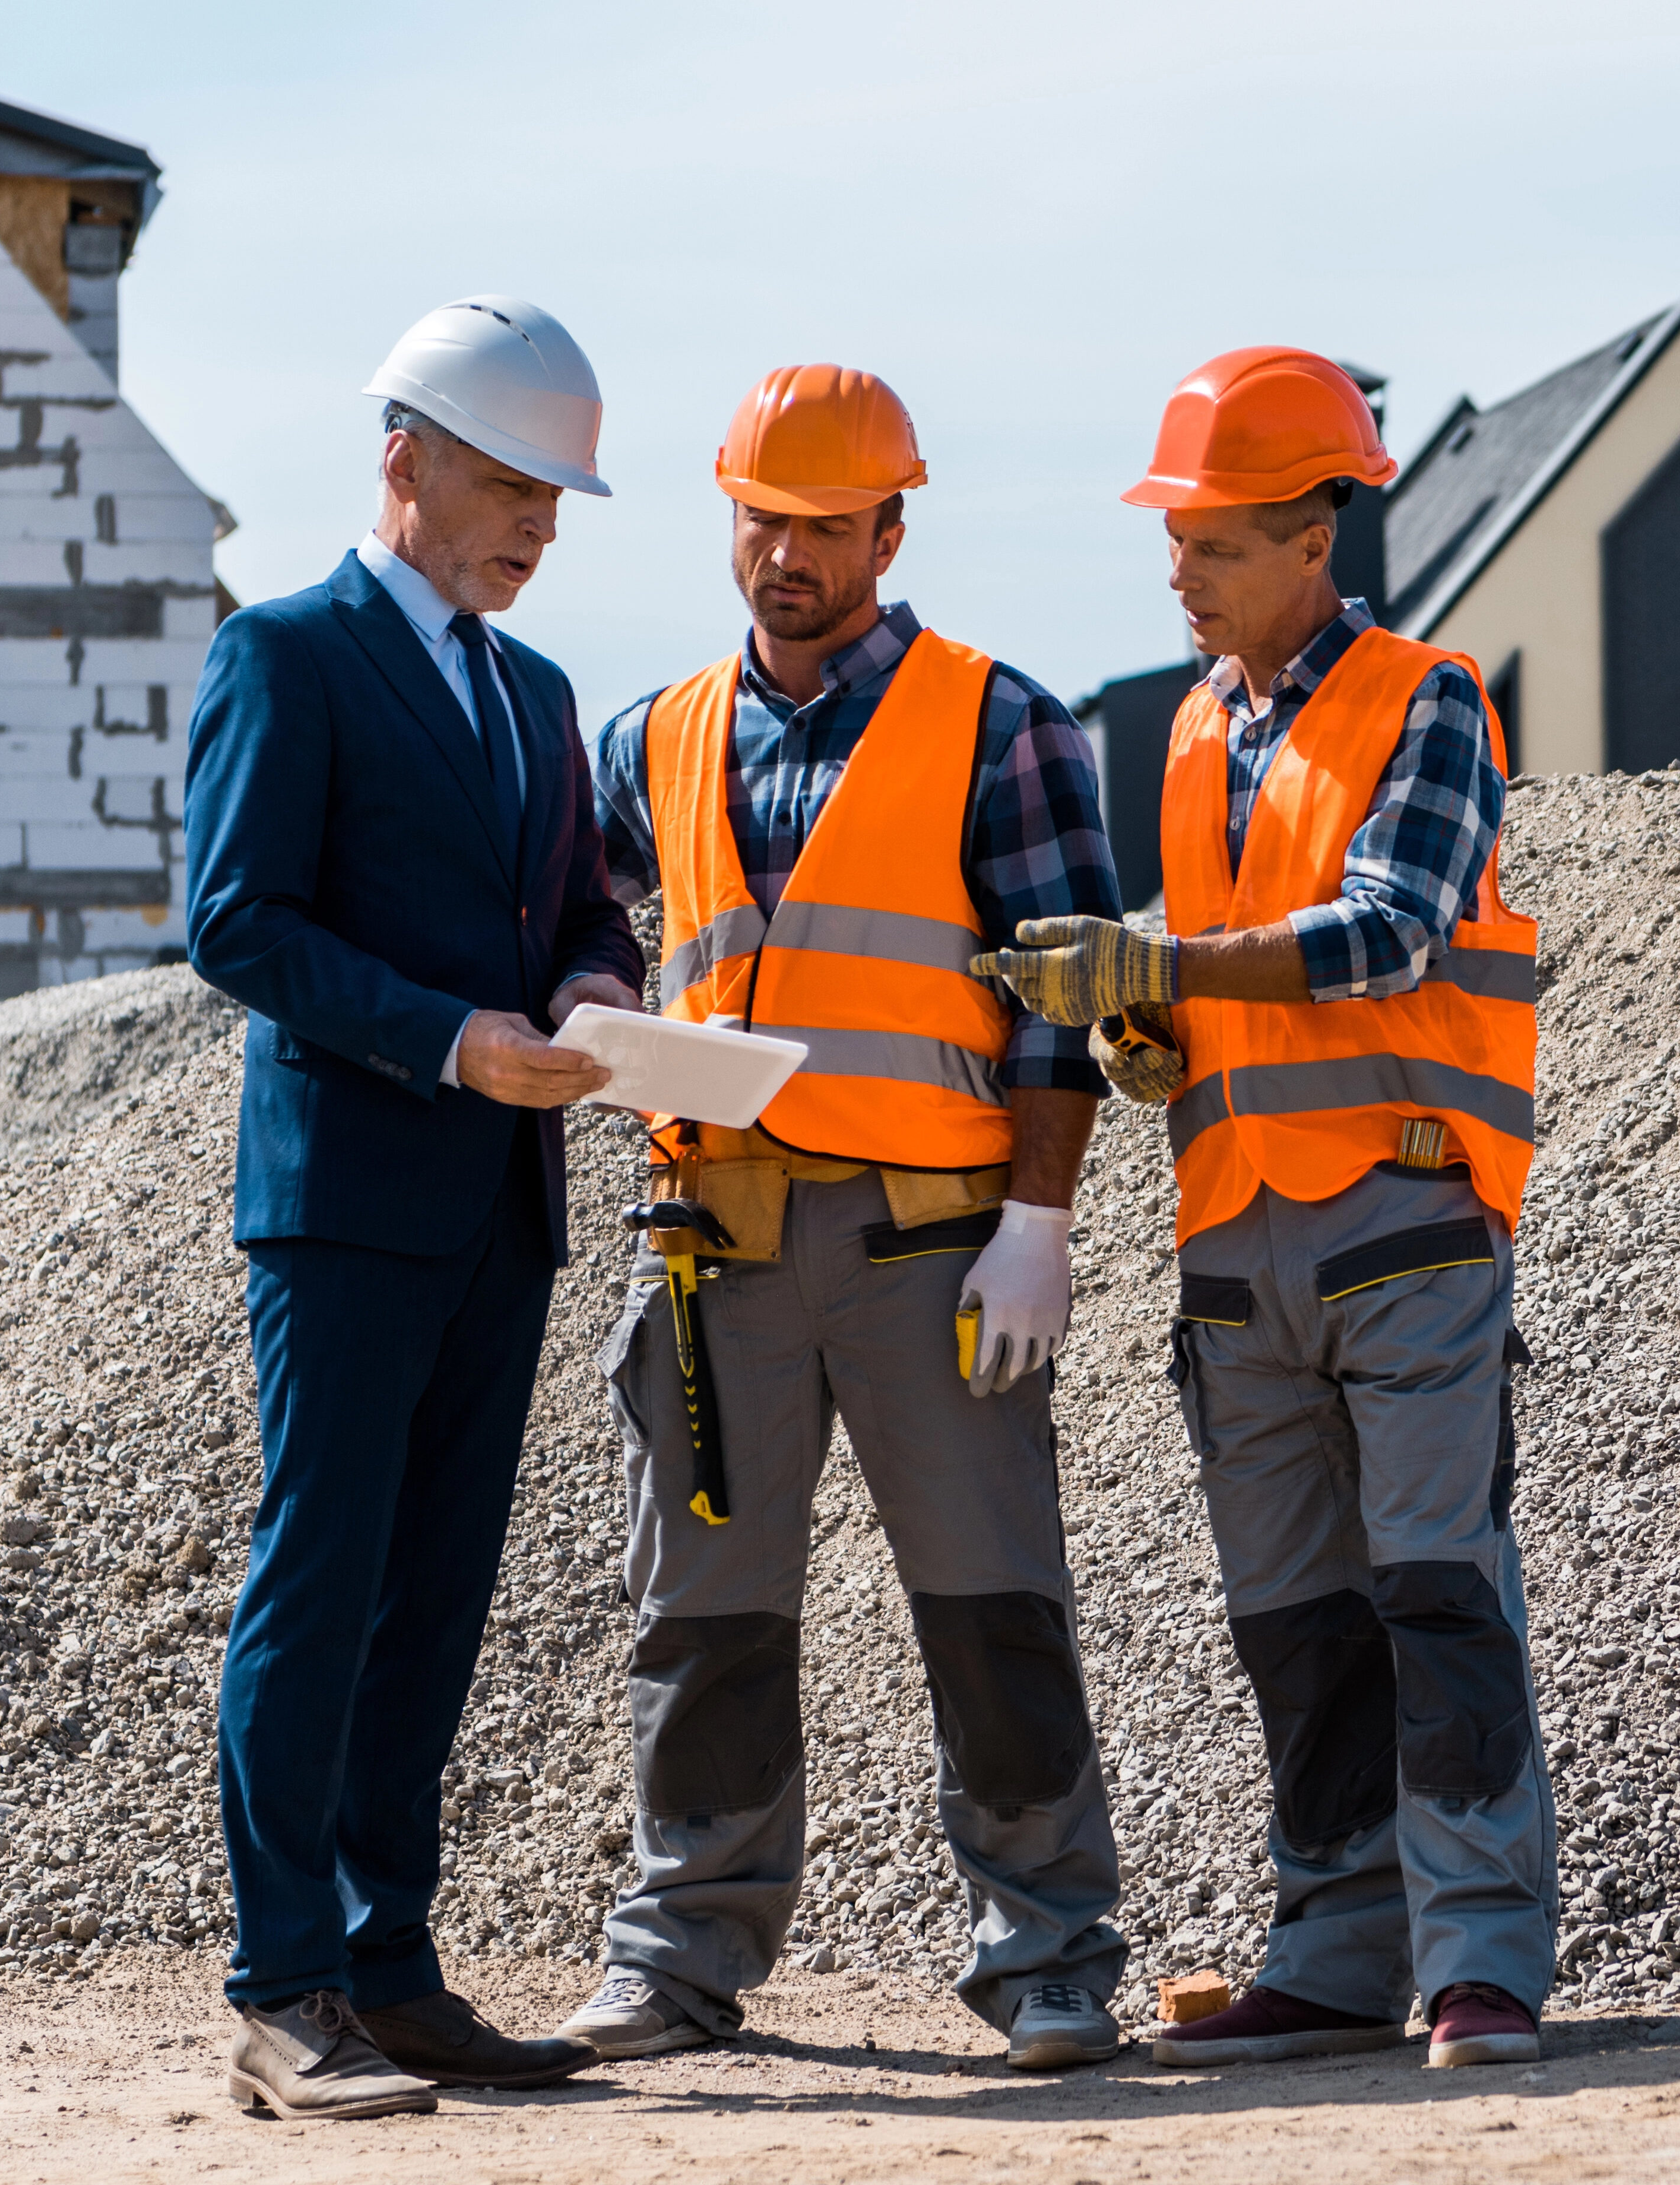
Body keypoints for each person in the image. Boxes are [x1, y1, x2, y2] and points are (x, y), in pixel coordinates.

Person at [546, 365, 1136, 2073]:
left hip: (930, 1251)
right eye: (761, 520)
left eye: (821, 526)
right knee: (701, 1623)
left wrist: (1040, 1221)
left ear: (891, 529)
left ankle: (1049, 1958)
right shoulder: (650, 740)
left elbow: (1062, 1007)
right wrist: (598, 1002)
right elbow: (588, 929)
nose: (785, 555)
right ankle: (679, 1957)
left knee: (991, 1609)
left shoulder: (1003, 725)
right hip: (709, 1248)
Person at [972, 346, 1552, 2072]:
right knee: (1297, 1625)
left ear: (1315, 536)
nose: (1181, 570)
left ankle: (1482, 1961)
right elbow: (1223, 977)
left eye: (1214, 541)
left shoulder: (1427, 698)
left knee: (1438, 1593)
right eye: (1175, 537)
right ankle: (1339, 1952)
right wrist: (1146, 1029)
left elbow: (1390, 929)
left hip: (1405, 1221)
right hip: (1236, 1249)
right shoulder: (1191, 729)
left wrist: (1158, 962)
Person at [180, 296, 638, 2120]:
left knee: (435, 1599)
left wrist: (595, 986)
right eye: (512, 483)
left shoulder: (538, 698)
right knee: (322, 1585)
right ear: (404, 461)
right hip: (351, 1205)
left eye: (555, 495)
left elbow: (580, 909)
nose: (539, 521)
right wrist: (453, 1043)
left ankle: (389, 1968)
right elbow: (237, 922)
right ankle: (283, 1989)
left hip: (499, 1210)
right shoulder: (285, 656)